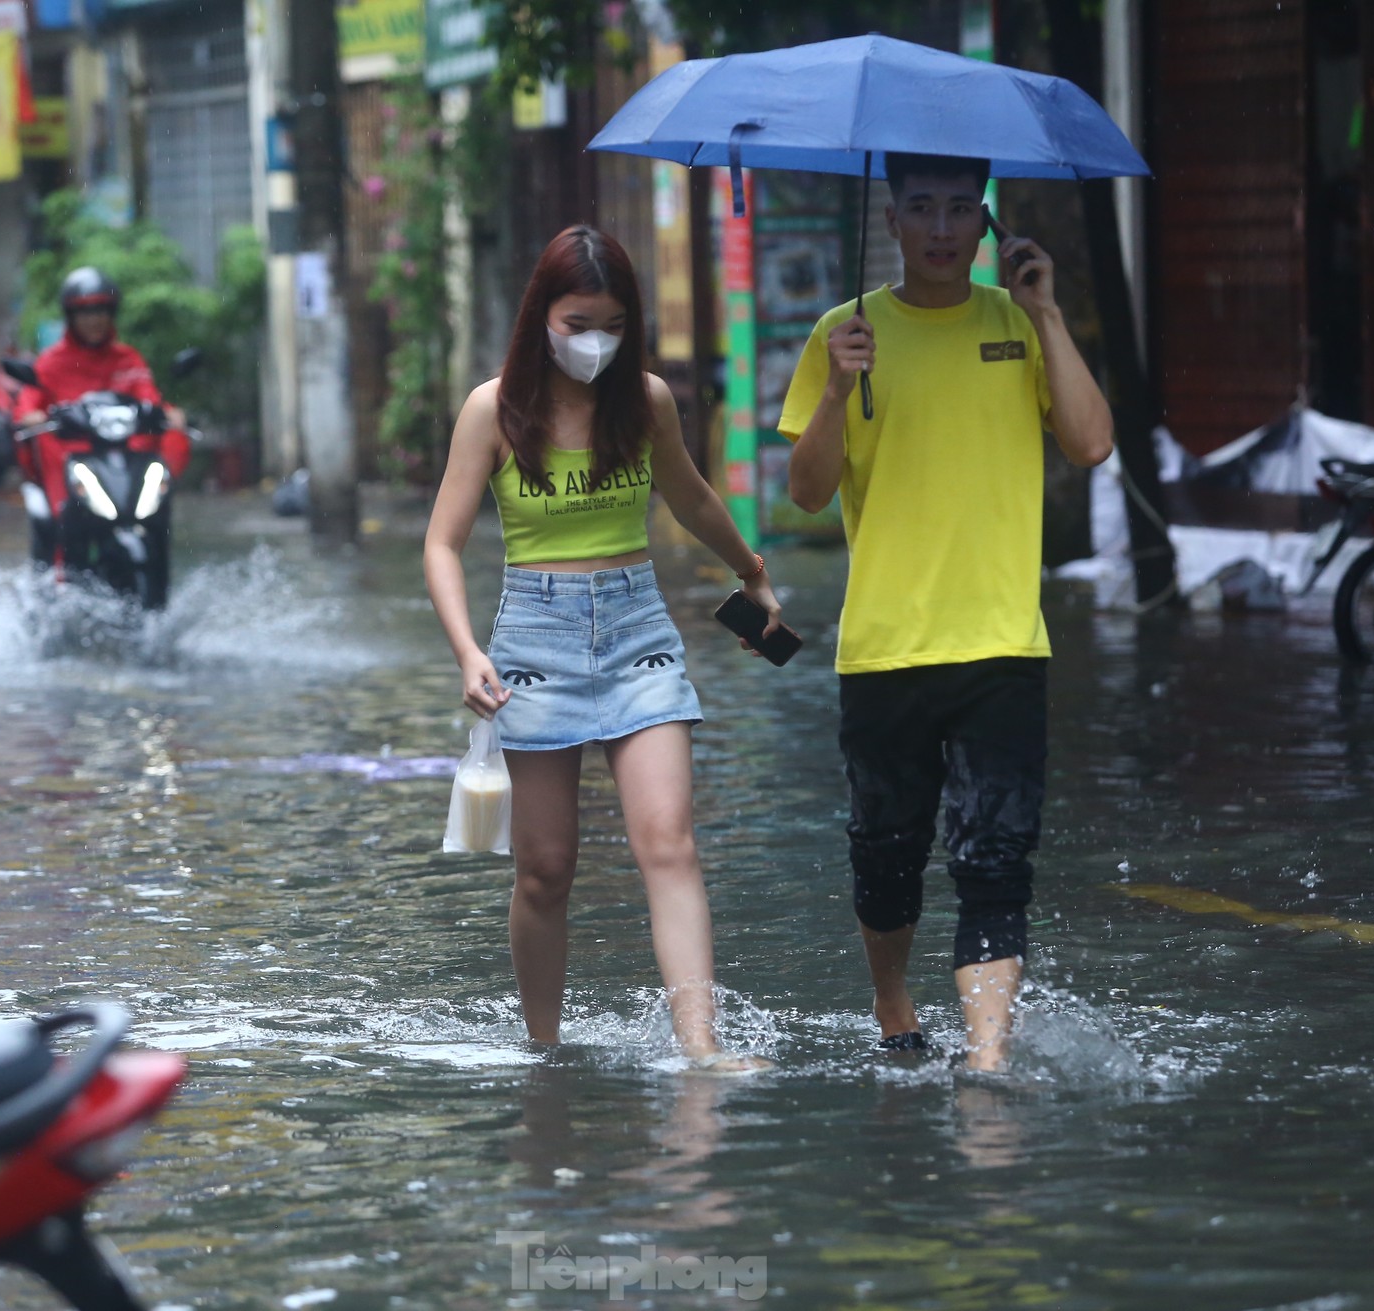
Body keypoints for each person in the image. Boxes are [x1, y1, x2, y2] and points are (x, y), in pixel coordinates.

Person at [779, 153, 1115, 1071]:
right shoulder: (841, 334)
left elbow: (1090, 442)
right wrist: (841, 388)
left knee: (996, 861)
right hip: (884, 649)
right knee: (886, 863)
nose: (940, 228)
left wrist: (1046, 310)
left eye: (960, 209)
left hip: (1004, 641)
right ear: (889, 221)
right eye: (921, 208)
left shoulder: (1019, 326)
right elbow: (805, 496)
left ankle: (988, 1052)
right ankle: (893, 1001)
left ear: (985, 223)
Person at [425, 225, 780, 1074]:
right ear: (540, 315)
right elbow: (441, 542)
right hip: (534, 640)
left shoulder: (645, 401)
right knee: (547, 869)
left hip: (639, 635)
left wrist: (752, 570)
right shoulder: (494, 408)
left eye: (614, 324)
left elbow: (690, 494)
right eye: (579, 320)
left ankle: (701, 1047)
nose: (596, 341)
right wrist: (469, 652)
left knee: (670, 841)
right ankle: (542, 1048)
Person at [13, 267, 190, 564]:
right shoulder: (52, 363)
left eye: (101, 310)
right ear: (71, 317)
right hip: (73, 462)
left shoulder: (127, 359)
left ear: (112, 314)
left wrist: (170, 414)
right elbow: (29, 405)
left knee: (158, 501)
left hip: (123, 461)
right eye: (85, 312)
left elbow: (149, 397)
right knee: (65, 513)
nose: (94, 319)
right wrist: (32, 415)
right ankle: (61, 576)